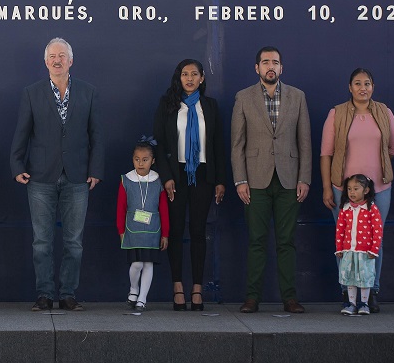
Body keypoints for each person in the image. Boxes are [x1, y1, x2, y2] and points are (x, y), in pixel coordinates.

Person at [10, 37, 104, 311]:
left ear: (71, 61)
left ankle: (68, 294)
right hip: (40, 177)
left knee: (74, 242)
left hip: (78, 177)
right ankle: (44, 294)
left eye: (62, 56)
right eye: (52, 56)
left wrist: (96, 169)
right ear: (45, 61)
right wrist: (17, 166)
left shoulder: (88, 92)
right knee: (42, 241)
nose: (57, 60)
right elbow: (22, 132)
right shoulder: (32, 92)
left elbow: (97, 134)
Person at [230, 46, 311, 314]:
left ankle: (289, 298)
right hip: (255, 179)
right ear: (257, 68)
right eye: (265, 62)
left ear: (281, 67)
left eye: (275, 62)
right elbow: (237, 144)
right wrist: (240, 180)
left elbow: (305, 143)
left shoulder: (297, 97)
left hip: (289, 180)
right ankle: (252, 298)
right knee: (256, 240)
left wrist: (305, 178)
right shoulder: (243, 97)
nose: (270, 66)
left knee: (286, 241)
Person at [319, 67, 394, 312]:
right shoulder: (337, 113)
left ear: (373, 87)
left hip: (379, 188)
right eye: (357, 83)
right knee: (345, 241)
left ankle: (371, 291)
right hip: (343, 190)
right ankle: (348, 293)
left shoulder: (384, 112)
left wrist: (373, 174)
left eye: (367, 83)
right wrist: (326, 187)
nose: (362, 88)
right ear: (350, 87)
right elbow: (326, 153)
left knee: (374, 240)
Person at [152, 58, 226, 311]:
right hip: (176, 174)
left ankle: (196, 287)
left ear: (202, 78)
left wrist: (220, 180)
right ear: (178, 77)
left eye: (195, 74)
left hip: (203, 175)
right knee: (174, 231)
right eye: (185, 74)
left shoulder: (211, 106)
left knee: (197, 231)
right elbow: (159, 143)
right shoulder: (168, 105)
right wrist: (166, 176)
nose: (190, 78)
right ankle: (177, 287)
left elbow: (218, 145)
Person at [116, 137, 169, 313]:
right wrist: (121, 230)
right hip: (133, 229)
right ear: (132, 160)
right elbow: (121, 208)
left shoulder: (158, 181)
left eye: (145, 160)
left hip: (153, 229)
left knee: (149, 264)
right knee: (137, 264)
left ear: (152, 161)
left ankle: (142, 298)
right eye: (137, 159)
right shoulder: (126, 180)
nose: (140, 163)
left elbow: (164, 209)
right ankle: (133, 289)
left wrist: (165, 234)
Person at [334, 174, 382, 316]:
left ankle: (364, 304)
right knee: (350, 277)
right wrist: (339, 248)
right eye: (349, 189)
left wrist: (374, 249)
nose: (352, 192)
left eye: (356, 188)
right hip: (349, 250)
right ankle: (351, 304)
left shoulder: (371, 208)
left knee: (364, 277)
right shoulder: (345, 208)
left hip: (365, 251)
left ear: (366, 190)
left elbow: (377, 229)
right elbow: (340, 229)